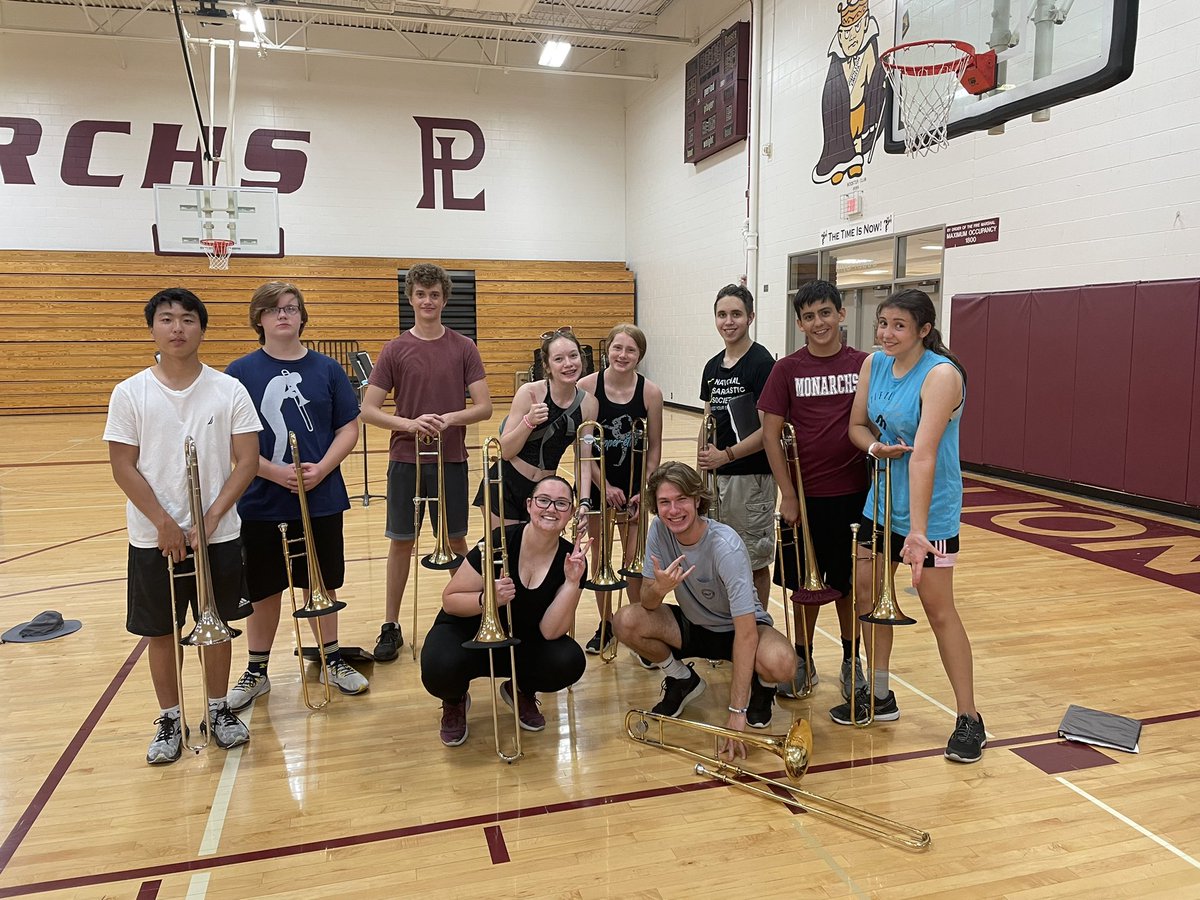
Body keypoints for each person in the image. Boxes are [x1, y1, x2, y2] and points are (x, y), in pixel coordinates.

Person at [828, 288, 986, 764]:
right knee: (868, 596)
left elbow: (924, 455)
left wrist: (917, 532)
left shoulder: (941, 375)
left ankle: (970, 718)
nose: (887, 333)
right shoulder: (873, 365)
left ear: (924, 330)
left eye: (899, 325)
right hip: (880, 505)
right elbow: (857, 428)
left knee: (940, 611)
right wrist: (875, 449)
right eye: (883, 323)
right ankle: (879, 695)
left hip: (931, 513)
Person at [104, 288, 261, 765]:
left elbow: (247, 460)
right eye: (167, 319)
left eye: (188, 319)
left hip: (218, 534)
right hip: (154, 537)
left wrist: (210, 519)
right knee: (161, 632)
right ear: (152, 327)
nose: (177, 328)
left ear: (202, 329)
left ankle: (218, 709)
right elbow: (122, 465)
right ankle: (170, 717)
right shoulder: (130, 392)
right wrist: (164, 523)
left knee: (218, 627)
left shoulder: (228, 389)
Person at [224, 282, 367, 711]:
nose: (283, 315)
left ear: (302, 316)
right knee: (265, 589)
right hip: (261, 499)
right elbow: (231, 439)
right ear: (259, 319)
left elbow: (348, 427)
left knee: (321, 583)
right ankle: (257, 670)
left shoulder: (327, 369)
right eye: (273, 310)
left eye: (290, 308)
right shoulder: (239, 372)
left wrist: (321, 468)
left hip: (321, 496)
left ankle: (330, 657)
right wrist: (272, 471)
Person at [612, 462, 796, 753]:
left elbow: (747, 633)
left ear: (697, 500)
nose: (673, 510)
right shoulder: (659, 529)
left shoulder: (726, 546)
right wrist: (659, 589)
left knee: (783, 663)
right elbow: (647, 601)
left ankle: (762, 686)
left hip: (737, 629)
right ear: (656, 506)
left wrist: (736, 712)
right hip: (693, 624)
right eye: (664, 502)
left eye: (682, 499)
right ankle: (682, 678)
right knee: (625, 620)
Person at [361, 263, 493, 661]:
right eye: (421, 294)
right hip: (406, 458)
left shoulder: (464, 346)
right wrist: (410, 423)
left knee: (455, 540)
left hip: (451, 458)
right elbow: (368, 410)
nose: (428, 301)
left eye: (434, 294)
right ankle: (390, 625)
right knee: (401, 541)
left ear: (444, 299)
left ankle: (473, 615)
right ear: (411, 298)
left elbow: (484, 407)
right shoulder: (395, 349)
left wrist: (449, 418)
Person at [758, 280, 868, 700]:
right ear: (800, 324)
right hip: (806, 499)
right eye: (809, 316)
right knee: (806, 589)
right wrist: (787, 494)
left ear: (841, 314)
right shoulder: (786, 369)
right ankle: (803, 659)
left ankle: (851, 660)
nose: (818, 322)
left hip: (856, 496)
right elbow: (771, 436)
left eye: (825, 313)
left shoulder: (865, 364)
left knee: (848, 586)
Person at [422, 476, 590, 746]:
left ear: (570, 513)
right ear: (529, 505)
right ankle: (454, 700)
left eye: (561, 504)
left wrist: (572, 583)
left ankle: (520, 689)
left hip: (520, 642)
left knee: (568, 660)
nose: (551, 509)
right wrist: (489, 598)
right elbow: (450, 600)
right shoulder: (498, 541)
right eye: (543, 501)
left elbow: (550, 632)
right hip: (468, 634)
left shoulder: (573, 559)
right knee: (438, 666)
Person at [576, 324, 663, 655]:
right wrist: (605, 486)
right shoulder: (587, 386)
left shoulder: (650, 392)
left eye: (630, 350)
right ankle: (607, 624)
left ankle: (639, 627)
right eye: (617, 348)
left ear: (640, 355)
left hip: (635, 490)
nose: (622, 355)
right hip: (599, 484)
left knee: (633, 562)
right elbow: (584, 449)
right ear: (607, 350)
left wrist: (644, 488)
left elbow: (654, 448)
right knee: (600, 558)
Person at [698, 284, 777, 606]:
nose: (728, 321)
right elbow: (707, 420)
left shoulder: (762, 363)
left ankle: (755, 623)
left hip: (751, 479)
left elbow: (768, 431)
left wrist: (726, 455)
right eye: (722, 315)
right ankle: (726, 624)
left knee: (752, 560)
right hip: (717, 478)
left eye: (736, 314)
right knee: (720, 555)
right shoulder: (712, 366)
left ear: (750, 317)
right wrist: (701, 471)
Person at [475, 327, 597, 526]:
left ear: (582, 359)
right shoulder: (529, 392)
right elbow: (505, 451)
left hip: (544, 494)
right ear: (547, 366)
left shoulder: (589, 404)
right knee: (507, 545)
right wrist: (529, 422)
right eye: (558, 359)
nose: (568, 364)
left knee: (540, 546)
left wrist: (584, 501)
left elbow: (584, 458)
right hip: (506, 485)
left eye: (573, 356)